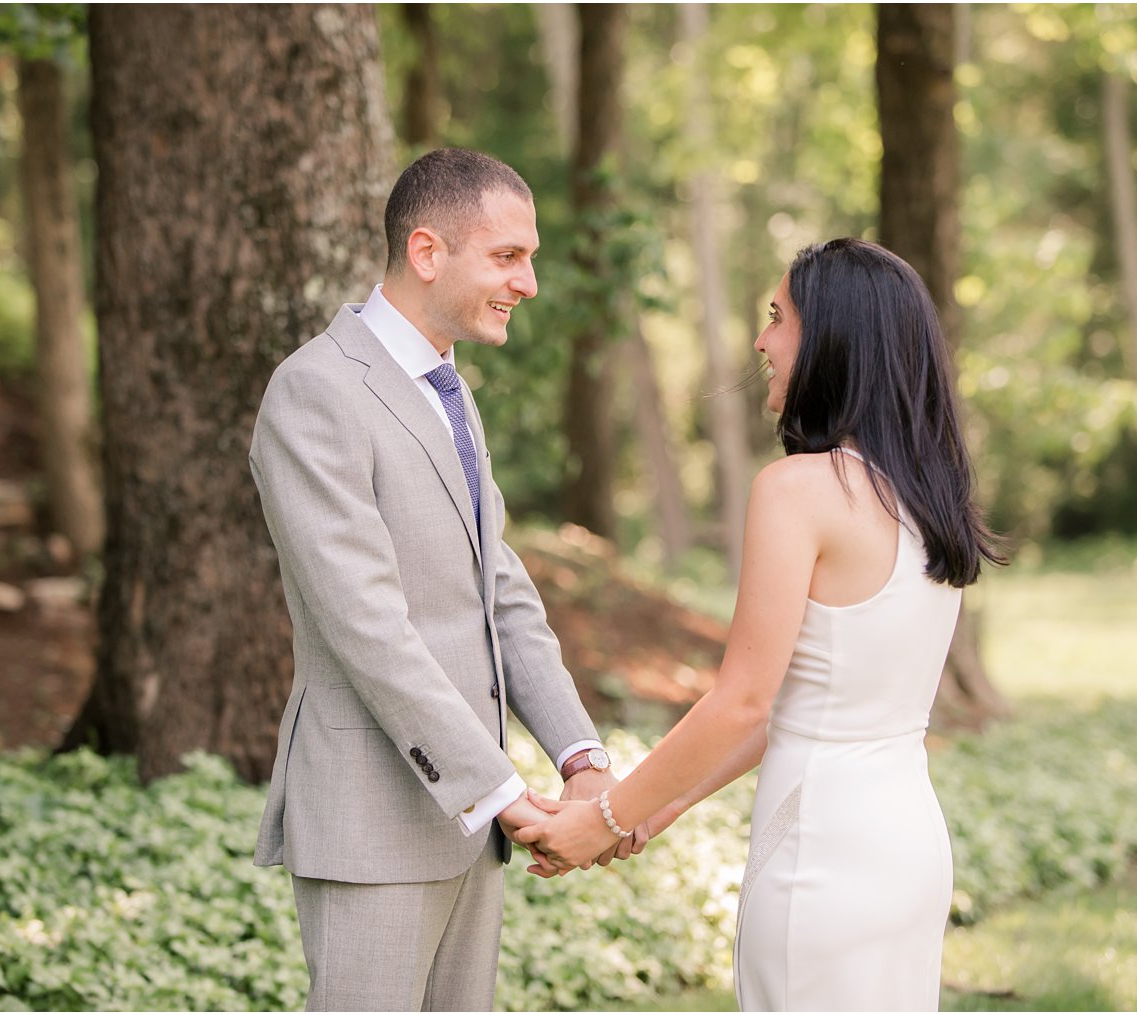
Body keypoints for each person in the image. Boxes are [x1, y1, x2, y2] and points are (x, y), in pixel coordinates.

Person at [519, 238, 1002, 1011]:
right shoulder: (925, 499)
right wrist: (660, 805)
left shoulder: (798, 491)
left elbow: (743, 700)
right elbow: (795, 707)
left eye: (779, 317)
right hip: (907, 844)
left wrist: (603, 818)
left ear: (835, 339)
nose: (760, 340)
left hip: (822, 852)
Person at [249, 147, 642, 1012]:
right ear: (429, 253)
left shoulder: (447, 389)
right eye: (509, 257)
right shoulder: (315, 390)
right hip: (374, 822)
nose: (529, 282)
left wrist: (582, 758)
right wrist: (502, 791)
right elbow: (368, 626)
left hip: (467, 835)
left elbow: (499, 591)